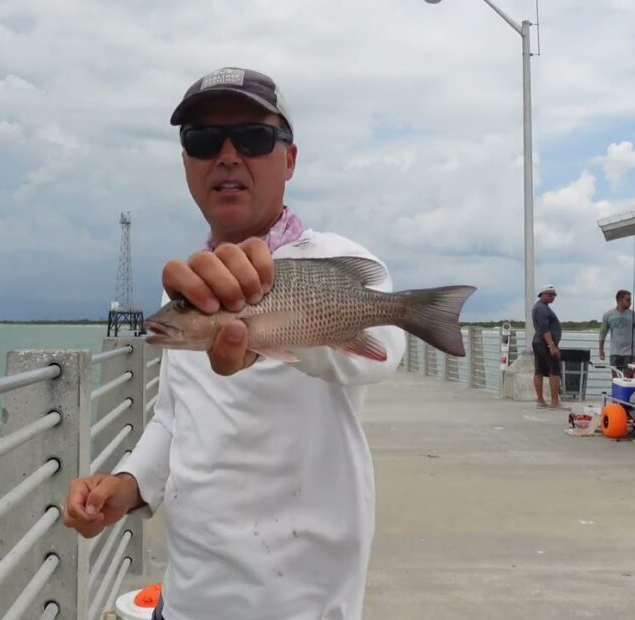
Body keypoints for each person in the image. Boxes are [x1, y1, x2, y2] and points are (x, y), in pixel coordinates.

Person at [62, 67, 405, 619]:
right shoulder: (189, 293)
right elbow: (176, 418)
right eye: (202, 141)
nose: (226, 155)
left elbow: (384, 351)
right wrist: (126, 485)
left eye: (252, 137)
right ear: (185, 164)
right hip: (187, 599)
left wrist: (271, 323)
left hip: (302, 604)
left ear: (289, 159)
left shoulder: (331, 259)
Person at [531, 284, 567, 410]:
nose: (552, 297)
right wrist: (551, 345)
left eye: (554, 295)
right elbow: (544, 328)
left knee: (539, 370)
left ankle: (541, 401)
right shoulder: (542, 309)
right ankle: (554, 401)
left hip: (538, 342)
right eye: (550, 294)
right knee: (554, 370)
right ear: (543, 294)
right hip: (545, 343)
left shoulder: (541, 307)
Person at [599, 289, 635, 376]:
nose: (630, 302)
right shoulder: (608, 315)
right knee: (615, 378)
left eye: (630, 300)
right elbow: (602, 333)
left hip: (630, 353)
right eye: (628, 300)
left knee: (629, 378)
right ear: (619, 300)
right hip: (614, 353)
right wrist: (601, 350)